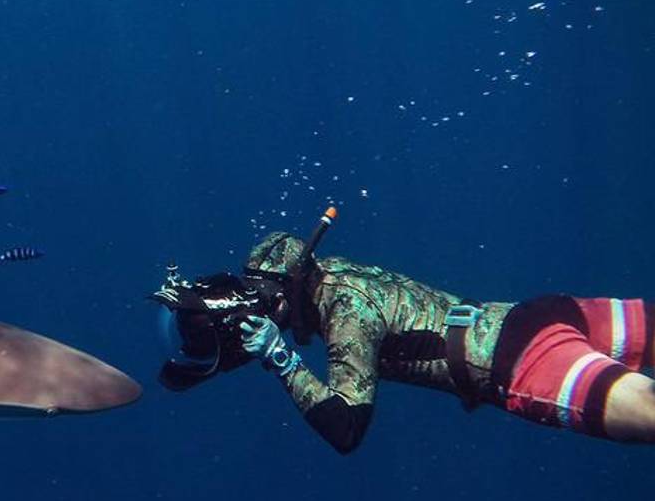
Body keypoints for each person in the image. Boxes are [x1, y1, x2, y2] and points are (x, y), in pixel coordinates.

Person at [151, 209, 655, 453]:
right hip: (536, 314)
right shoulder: (334, 270)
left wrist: (280, 357)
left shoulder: (346, 312)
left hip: (523, 364)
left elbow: (346, 429)